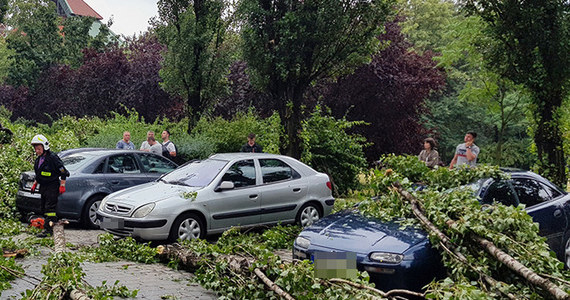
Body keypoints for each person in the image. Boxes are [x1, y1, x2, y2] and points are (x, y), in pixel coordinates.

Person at [30, 134, 69, 237]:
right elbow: (39, 174)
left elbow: (63, 172)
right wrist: (35, 184)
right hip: (43, 186)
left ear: (44, 147)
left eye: (38, 148)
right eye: (35, 149)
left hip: (52, 186)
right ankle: (53, 225)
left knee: (50, 209)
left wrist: (62, 185)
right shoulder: (39, 160)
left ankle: (49, 231)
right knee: (43, 208)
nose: (37, 151)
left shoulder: (52, 158)